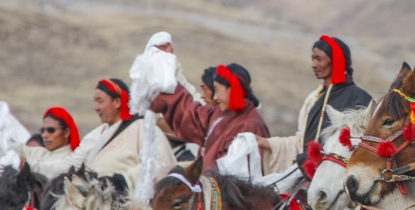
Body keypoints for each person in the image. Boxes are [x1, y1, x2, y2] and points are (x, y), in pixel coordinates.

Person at [21, 78, 176, 194]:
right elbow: (72, 165)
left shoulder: (144, 128)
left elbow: (160, 164)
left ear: (117, 102)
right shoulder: (98, 133)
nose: (96, 108)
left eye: (100, 101)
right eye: (95, 102)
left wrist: (122, 181)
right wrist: (32, 166)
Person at [258, 36, 372, 176]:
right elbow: (302, 142)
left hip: (338, 177)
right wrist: (269, 144)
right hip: (307, 173)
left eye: (319, 59)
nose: (313, 64)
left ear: (336, 60)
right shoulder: (313, 99)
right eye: (313, 59)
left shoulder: (358, 99)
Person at [150, 63, 271, 166]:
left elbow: (239, 175)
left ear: (232, 89)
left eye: (217, 90)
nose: (215, 97)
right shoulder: (221, 113)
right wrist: (167, 85)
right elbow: (192, 118)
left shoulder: (250, 126)